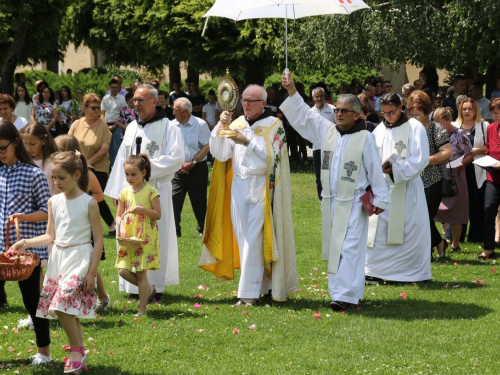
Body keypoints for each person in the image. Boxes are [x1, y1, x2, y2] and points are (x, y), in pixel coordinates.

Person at [280, 72, 390, 312]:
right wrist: (292, 90)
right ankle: (342, 292)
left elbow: (374, 168)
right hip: (330, 202)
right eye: (337, 110)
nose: (338, 114)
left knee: (349, 249)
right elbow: (305, 116)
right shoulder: (327, 131)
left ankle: (344, 296)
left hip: (353, 203)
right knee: (335, 250)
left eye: (344, 111)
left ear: (357, 114)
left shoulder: (365, 138)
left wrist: (381, 197)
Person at [199, 84, 298, 306]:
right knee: (243, 238)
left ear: (263, 103)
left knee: (254, 239)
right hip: (239, 185)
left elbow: (274, 161)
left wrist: (247, 142)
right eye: (244, 100)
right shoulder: (237, 123)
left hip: (262, 186)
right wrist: (220, 127)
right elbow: (221, 154)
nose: (246, 104)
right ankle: (263, 287)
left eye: (252, 101)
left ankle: (247, 295)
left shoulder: (274, 125)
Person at [9, 150, 102, 373]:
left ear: (77, 174)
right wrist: (25, 242)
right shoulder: (53, 202)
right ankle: (80, 355)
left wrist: (91, 272)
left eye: (62, 177)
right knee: (66, 308)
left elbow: (98, 240)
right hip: (58, 258)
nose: (57, 182)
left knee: (60, 305)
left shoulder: (89, 203)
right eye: (54, 177)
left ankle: (75, 352)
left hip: (79, 258)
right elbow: (50, 236)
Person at [105, 84, 184, 300]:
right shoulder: (131, 127)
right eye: (134, 101)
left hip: (156, 192)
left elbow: (176, 158)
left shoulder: (169, 128)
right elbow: (122, 159)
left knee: (154, 238)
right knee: (132, 236)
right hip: (130, 194)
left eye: (141, 100)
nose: (136, 104)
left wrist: (147, 166)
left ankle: (155, 287)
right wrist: (117, 191)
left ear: (154, 102)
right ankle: (134, 287)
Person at [0, 120, 52, 365]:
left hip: (26, 252)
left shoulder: (33, 173)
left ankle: (44, 352)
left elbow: (47, 210)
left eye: (2, 147)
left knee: (33, 301)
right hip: (1, 249)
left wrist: (24, 217)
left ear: (16, 143)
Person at [365, 93, 432, 283]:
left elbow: (420, 159)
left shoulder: (415, 128)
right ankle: (376, 271)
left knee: (407, 231)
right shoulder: (379, 130)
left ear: (401, 108)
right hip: (384, 189)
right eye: (384, 113)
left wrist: (396, 169)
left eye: (391, 112)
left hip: (406, 188)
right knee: (378, 231)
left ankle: (410, 272)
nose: (387, 117)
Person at [54, 134, 111, 309]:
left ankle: (101, 296)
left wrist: (82, 199)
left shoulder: (87, 172)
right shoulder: (58, 175)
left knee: (88, 265)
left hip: (84, 224)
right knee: (84, 266)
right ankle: (98, 296)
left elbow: (100, 195)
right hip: (68, 222)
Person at [406, 91, 452, 259]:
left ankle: (435, 245)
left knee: (424, 217)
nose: (414, 115)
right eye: (412, 111)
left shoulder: (436, 128)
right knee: (415, 217)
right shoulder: (406, 128)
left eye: (418, 112)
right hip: (411, 180)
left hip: (433, 180)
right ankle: (436, 244)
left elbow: (447, 153)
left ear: (426, 111)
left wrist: (423, 161)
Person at [115, 154, 160, 315]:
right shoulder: (124, 193)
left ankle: (142, 309)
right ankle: (147, 289)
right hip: (129, 235)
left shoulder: (151, 191)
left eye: (133, 174)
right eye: (127, 174)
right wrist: (120, 226)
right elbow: (119, 215)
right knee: (123, 270)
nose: (129, 177)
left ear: (143, 172)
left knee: (141, 272)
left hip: (145, 236)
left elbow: (157, 214)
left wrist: (144, 210)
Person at [69, 93, 116, 237]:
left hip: (98, 168)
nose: (96, 111)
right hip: (77, 167)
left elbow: (104, 148)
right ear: (84, 107)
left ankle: (111, 224)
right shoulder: (76, 124)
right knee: (79, 196)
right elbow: (69, 143)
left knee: (94, 196)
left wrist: (87, 162)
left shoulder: (102, 126)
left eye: (98, 108)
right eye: (93, 108)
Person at [433, 107, 473, 254]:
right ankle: (439, 241)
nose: (438, 127)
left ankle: (455, 244)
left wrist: (463, 163)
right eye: (436, 124)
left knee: (457, 211)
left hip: (456, 174)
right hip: (437, 173)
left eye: (441, 124)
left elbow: (469, 154)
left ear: (450, 120)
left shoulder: (460, 134)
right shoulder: (433, 133)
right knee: (434, 210)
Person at [171, 98, 210, 238]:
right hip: (177, 170)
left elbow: (207, 146)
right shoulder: (171, 125)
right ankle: (174, 231)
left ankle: (203, 230)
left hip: (197, 168)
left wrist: (193, 162)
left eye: (176, 109)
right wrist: (176, 166)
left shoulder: (200, 124)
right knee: (173, 199)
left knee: (199, 201)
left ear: (185, 112)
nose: (173, 112)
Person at [457, 98, 487, 243]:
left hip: (477, 170)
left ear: (475, 110)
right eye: (464, 109)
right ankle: (458, 236)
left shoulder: (483, 126)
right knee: (459, 203)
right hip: (459, 169)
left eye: (470, 109)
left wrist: (475, 151)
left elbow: (490, 147)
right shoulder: (455, 125)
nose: (467, 111)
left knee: (476, 203)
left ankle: (476, 236)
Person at [479, 98, 500, 259]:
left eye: (497, 112)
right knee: (488, 210)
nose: (494, 116)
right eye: (493, 112)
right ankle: (488, 248)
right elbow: (488, 151)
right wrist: (485, 161)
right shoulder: (491, 128)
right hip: (493, 177)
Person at [310, 87, 336, 200]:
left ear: (325, 96)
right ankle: (322, 198)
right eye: (317, 96)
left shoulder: (332, 109)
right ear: (313, 98)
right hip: (317, 147)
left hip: (331, 147)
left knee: (330, 172)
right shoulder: (310, 112)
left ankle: (332, 194)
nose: (319, 98)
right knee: (319, 174)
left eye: (321, 96)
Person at [21, 122, 58, 196]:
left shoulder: (53, 163)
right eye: (25, 143)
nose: (28, 148)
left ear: (43, 141)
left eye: (32, 144)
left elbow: (57, 193)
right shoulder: (23, 162)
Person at [101, 79, 127, 167]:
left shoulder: (122, 99)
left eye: (116, 87)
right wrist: (104, 126)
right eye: (112, 87)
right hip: (106, 125)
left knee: (116, 148)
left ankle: (115, 168)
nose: (114, 89)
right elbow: (102, 113)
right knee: (107, 148)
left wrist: (115, 125)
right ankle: (110, 167)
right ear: (109, 87)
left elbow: (123, 114)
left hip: (117, 125)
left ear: (119, 87)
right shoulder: (105, 99)